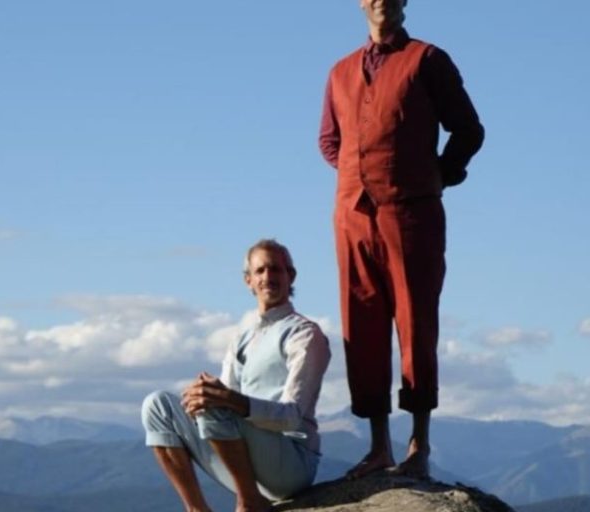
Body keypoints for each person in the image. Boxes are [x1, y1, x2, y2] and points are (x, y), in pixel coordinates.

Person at [318, 0, 484, 479]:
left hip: (411, 212)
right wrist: (358, 172)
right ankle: (378, 448)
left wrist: (436, 174)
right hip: (352, 215)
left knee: (416, 323)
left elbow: (468, 129)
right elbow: (329, 140)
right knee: (361, 325)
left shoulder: (427, 60)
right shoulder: (340, 71)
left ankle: (419, 446)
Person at [141, 239, 331, 512]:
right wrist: (201, 398)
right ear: (248, 280)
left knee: (216, 402)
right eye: (260, 270)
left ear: (291, 276)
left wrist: (226, 399)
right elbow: (224, 405)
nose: (268, 277)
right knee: (157, 405)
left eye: (276, 269)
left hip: (291, 461)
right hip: (248, 460)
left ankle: (249, 501)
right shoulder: (243, 337)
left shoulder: (304, 334)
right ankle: (196, 509)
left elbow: (291, 416)